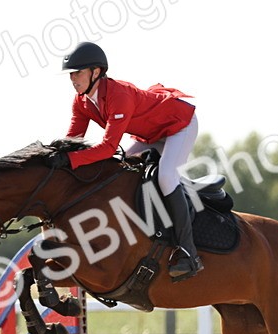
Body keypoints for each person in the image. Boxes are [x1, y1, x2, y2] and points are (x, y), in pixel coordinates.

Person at [52, 41, 203, 280]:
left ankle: (188, 253)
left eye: (78, 72)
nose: (73, 78)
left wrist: (70, 159)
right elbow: (72, 140)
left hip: (178, 125)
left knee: (166, 176)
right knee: (119, 170)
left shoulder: (118, 95)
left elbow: (108, 147)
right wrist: (53, 156)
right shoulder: (81, 101)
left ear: (96, 72)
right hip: (149, 134)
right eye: (71, 74)